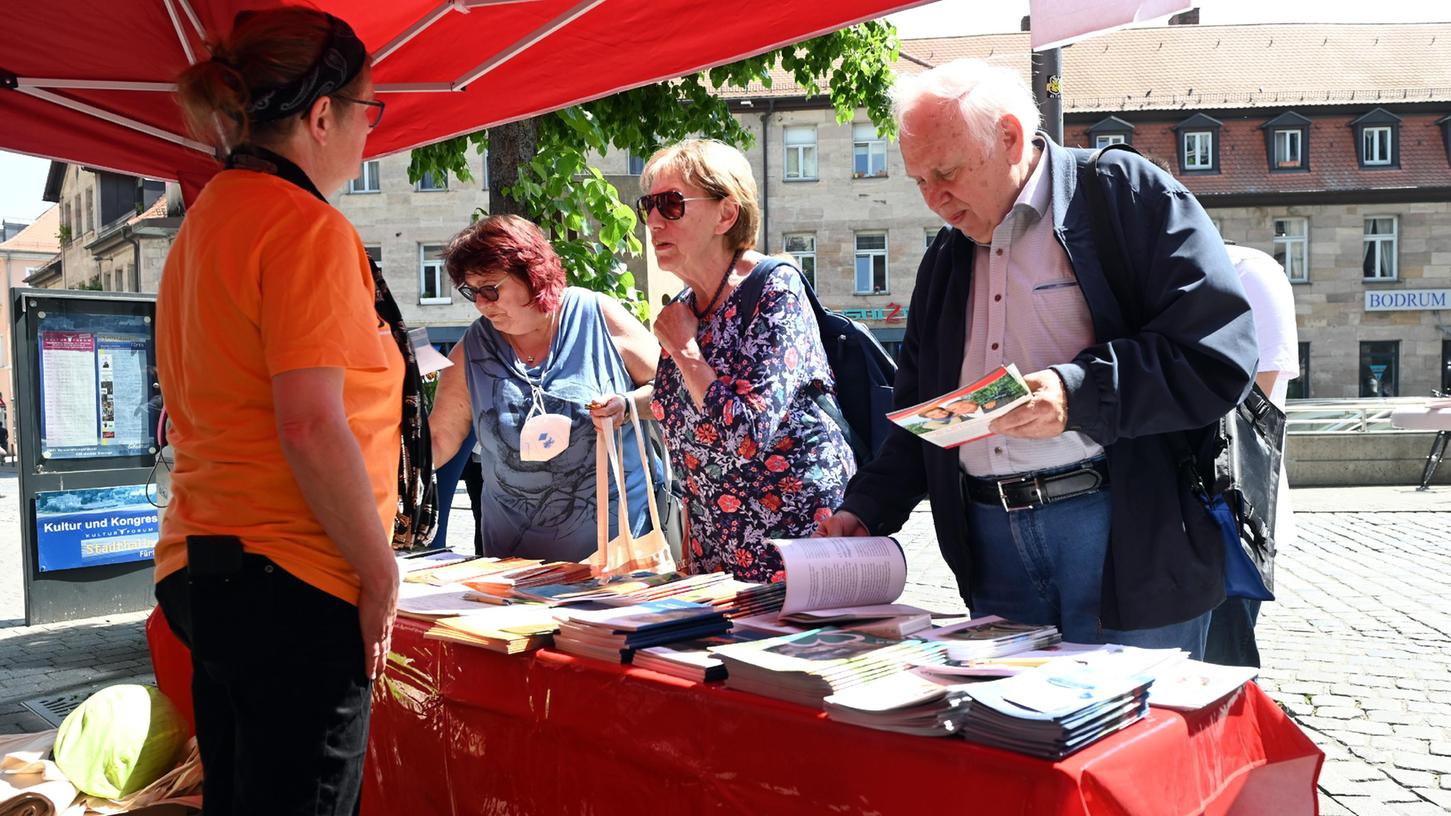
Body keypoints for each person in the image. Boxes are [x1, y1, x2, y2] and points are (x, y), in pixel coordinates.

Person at [816, 59, 1258, 657]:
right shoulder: (946, 259)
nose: (934, 201)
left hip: (1122, 534)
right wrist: (865, 511)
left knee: (1133, 739)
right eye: (919, 181)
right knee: (1016, 742)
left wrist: (1077, 394)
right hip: (990, 547)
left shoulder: (1125, 194)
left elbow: (1217, 353)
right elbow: (926, 418)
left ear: (1009, 138)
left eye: (945, 174)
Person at [153, 9, 428, 814]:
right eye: (367, 112)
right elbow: (309, 422)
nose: (368, 137)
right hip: (294, 579)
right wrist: (378, 573)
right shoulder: (304, 228)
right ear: (320, 116)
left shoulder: (207, 219)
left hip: (211, 568)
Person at [643, 139, 856, 582]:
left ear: (727, 213)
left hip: (793, 545)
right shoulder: (686, 306)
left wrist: (685, 351)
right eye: (648, 205)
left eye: (671, 204)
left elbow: (743, 434)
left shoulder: (774, 289)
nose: (653, 220)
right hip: (714, 551)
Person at [428, 214, 660, 561]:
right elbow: (439, 441)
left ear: (533, 274)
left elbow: (673, 391)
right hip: (514, 569)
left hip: (618, 560)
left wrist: (627, 407)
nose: (480, 304)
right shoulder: (472, 350)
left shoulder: (597, 315)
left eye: (491, 289)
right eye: (472, 292)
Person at [1204, 243, 1300, 668]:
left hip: (1231, 511)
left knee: (1222, 668)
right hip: (1154, 518)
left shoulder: (1249, 270)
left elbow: (1254, 404)